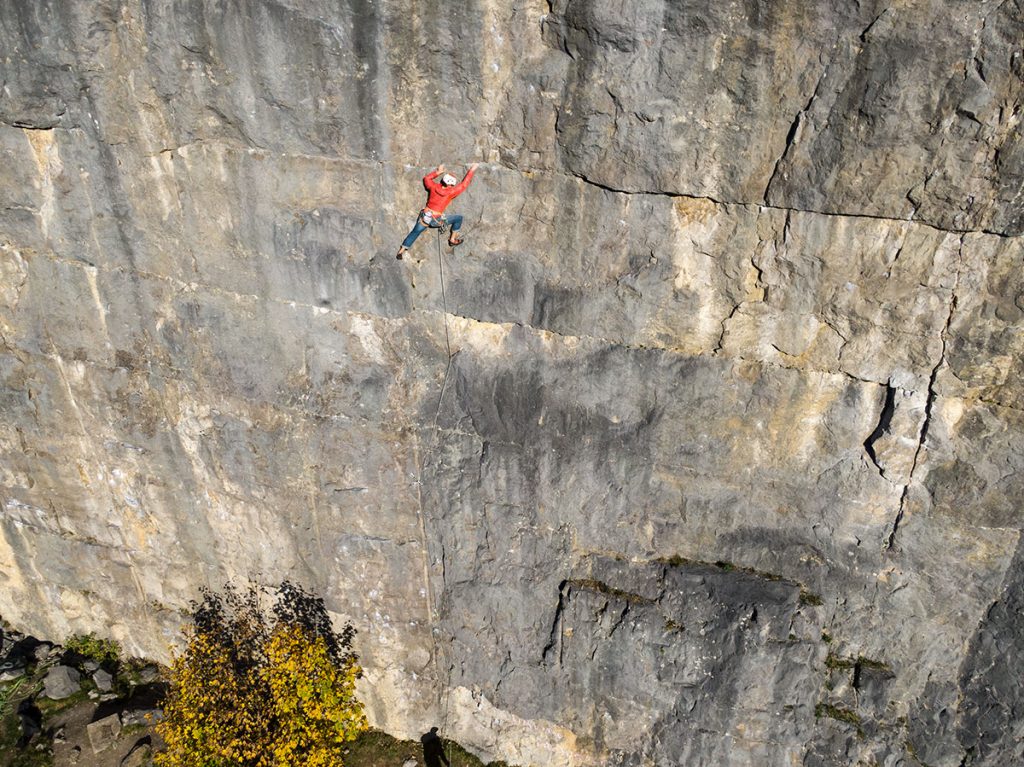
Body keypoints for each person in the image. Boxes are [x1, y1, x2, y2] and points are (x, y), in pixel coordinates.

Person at [397, 163, 478, 260]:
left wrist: (438, 172)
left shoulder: (433, 187)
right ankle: (452, 239)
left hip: (425, 216)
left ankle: (401, 250)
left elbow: (426, 179)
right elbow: (464, 184)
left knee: (415, 232)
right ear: (452, 184)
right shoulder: (451, 192)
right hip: (436, 220)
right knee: (459, 218)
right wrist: (472, 170)